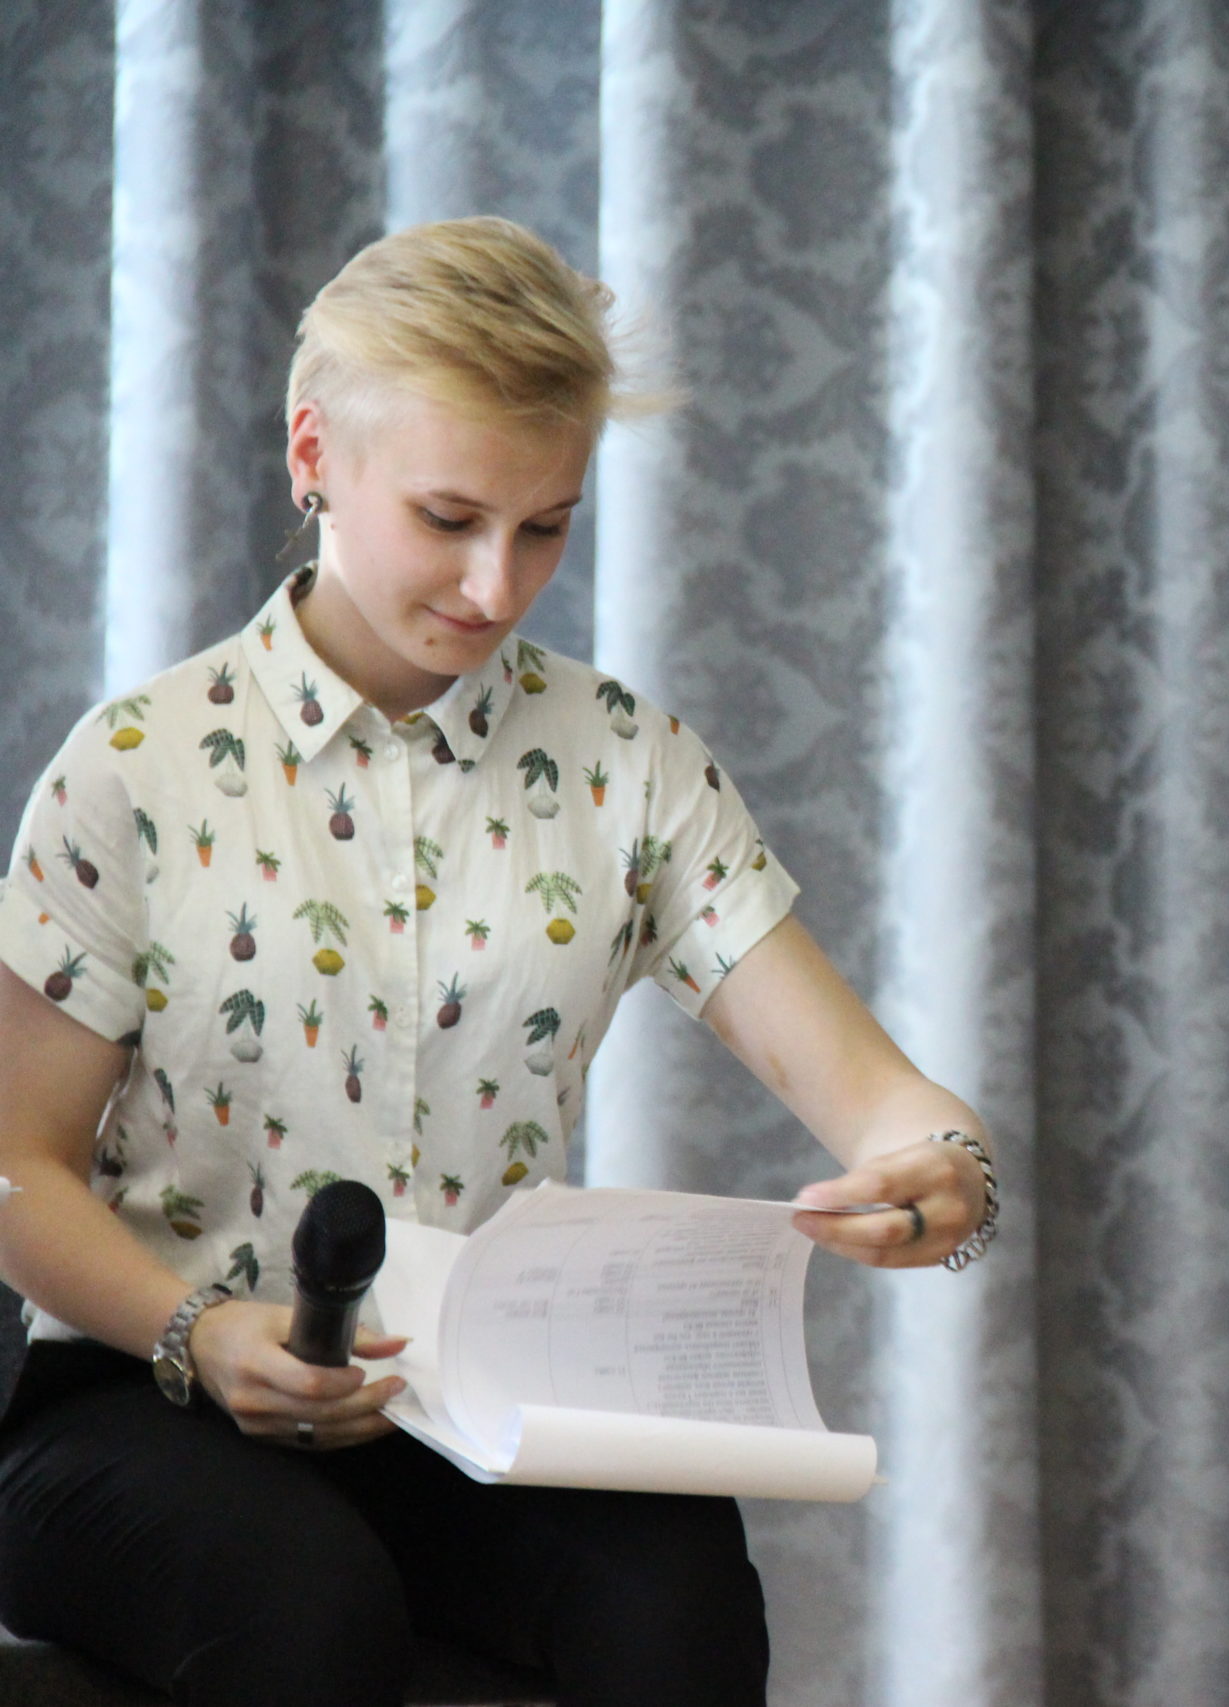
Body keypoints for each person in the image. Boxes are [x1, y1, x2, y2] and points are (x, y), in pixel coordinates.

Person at [0, 217, 998, 1707]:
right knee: (299, 1603)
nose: (496, 586)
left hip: (476, 1407)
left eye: (545, 527)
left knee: (679, 1606)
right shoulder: (136, 767)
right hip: (137, 1395)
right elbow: (13, 1164)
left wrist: (945, 1171)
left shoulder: (627, 764)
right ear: (314, 452)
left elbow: (883, 1101)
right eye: (451, 517)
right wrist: (200, 1334)